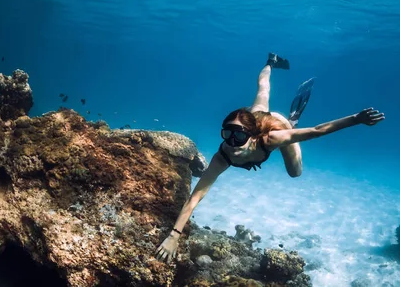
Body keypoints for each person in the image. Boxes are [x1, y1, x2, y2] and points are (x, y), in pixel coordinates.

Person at [155, 53, 385, 263]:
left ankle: (293, 118)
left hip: (277, 125)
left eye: (239, 137)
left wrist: (356, 118)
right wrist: (173, 236)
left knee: (295, 173)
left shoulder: (270, 139)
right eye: (227, 135)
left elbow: (317, 130)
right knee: (262, 88)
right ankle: (271, 61)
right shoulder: (222, 155)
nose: (232, 143)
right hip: (255, 116)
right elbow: (195, 197)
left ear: (251, 135)